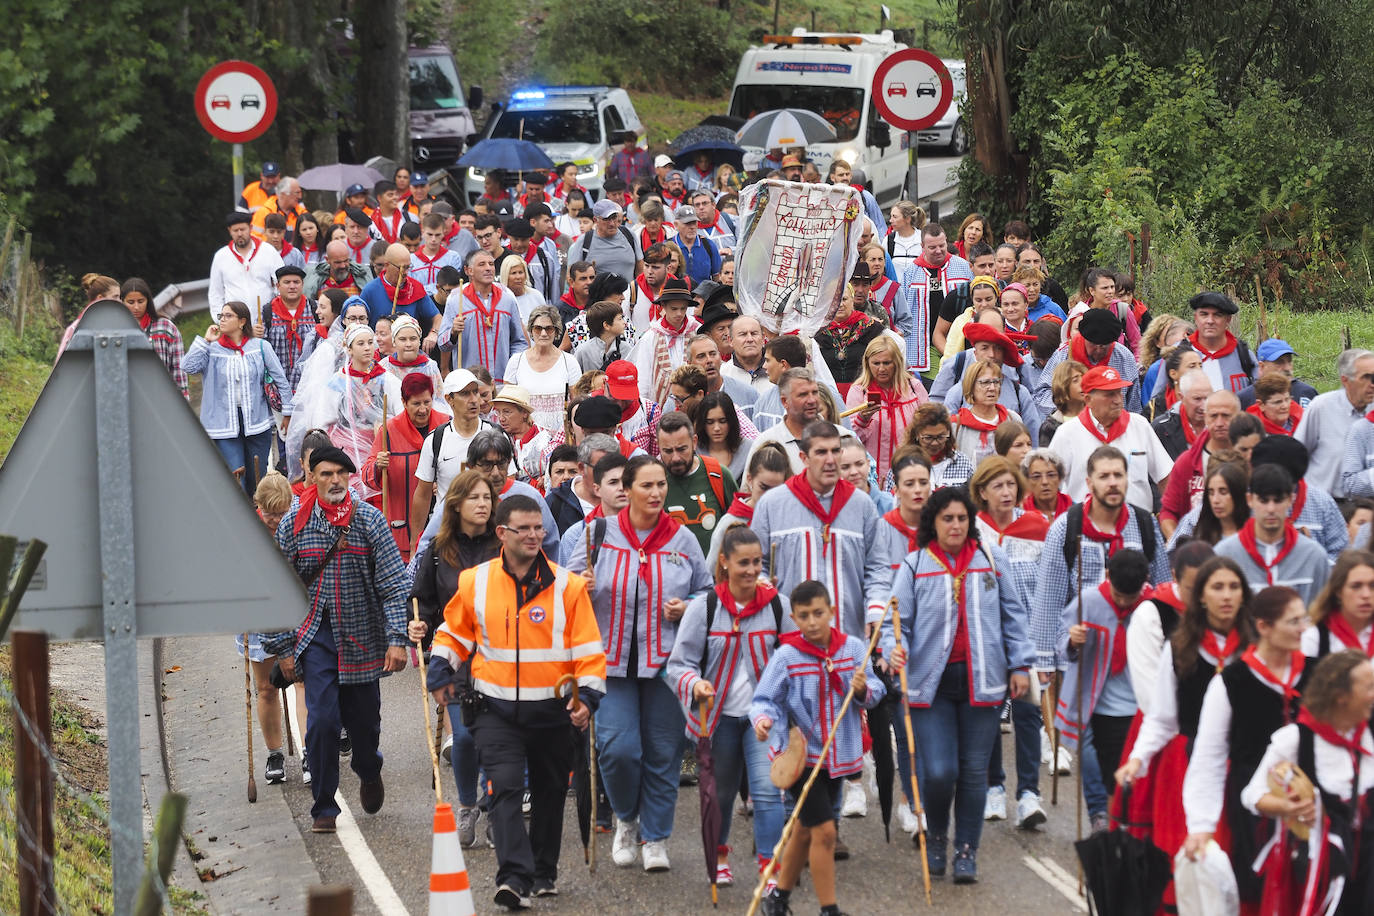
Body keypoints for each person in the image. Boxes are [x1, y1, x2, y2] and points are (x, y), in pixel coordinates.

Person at [426, 495, 606, 908]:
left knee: (548, 794)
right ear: (502, 533)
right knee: (504, 789)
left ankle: (543, 871)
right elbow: (455, 633)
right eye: (523, 528)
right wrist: (440, 669)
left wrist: (589, 699)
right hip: (495, 710)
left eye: (538, 527)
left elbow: (588, 650)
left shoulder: (568, 586)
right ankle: (514, 879)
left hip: (554, 712)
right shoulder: (477, 581)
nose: (533, 535)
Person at [564, 456, 713, 873]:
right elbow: (563, 589)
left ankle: (656, 837)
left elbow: (707, 594)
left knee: (664, 752)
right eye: (647, 485)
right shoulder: (598, 534)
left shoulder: (682, 539)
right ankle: (627, 819)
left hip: (666, 664)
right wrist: (581, 587)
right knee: (618, 750)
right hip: (609, 666)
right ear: (627, 491)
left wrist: (689, 606)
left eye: (661, 485)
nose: (656, 493)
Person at [883, 487, 1034, 881]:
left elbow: (1014, 615)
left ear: (971, 522)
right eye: (947, 518)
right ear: (933, 522)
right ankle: (936, 836)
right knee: (938, 772)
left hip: (981, 683)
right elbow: (895, 622)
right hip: (927, 686)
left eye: (962, 518)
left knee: (972, 773)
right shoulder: (915, 565)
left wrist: (1020, 665)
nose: (955, 525)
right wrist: (894, 648)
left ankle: (966, 850)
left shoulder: (990, 559)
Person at [263, 446, 410, 834]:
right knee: (323, 721)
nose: (333, 481)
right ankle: (324, 806)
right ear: (311, 478)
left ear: (349, 477)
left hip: (362, 636)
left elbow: (395, 584)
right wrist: (283, 649)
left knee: (364, 728)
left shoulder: (370, 521)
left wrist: (397, 638)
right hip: (316, 638)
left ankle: (368, 769)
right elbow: (276, 590)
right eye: (325, 474)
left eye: (340, 474)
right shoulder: (294, 523)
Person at [665, 526, 792, 886]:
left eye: (757, 563)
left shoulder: (777, 606)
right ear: (724, 562)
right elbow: (679, 664)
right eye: (743, 563)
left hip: (762, 720)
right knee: (719, 792)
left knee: (768, 792)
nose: (752, 571)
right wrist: (695, 684)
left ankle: (770, 869)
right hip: (716, 719)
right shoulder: (704, 608)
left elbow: (792, 660)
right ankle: (719, 854)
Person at [755, 579, 885, 916]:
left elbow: (874, 690)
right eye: (804, 616)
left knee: (802, 831)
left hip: (837, 756)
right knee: (825, 832)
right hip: (800, 757)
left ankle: (778, 899)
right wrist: (764, 721)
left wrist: (860, 690)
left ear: (831, 611)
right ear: (794, 619)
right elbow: (764, 699)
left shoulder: (854, 649)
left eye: (818, 613)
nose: (812, 622)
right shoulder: (787, 656)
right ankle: (829, 909)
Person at [1115, 556, 1252, 867]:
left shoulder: (1255, 646)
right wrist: (1138, 758)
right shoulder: (1180, 647)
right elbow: (1162, 717)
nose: (1226, 595)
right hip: (1188, 763)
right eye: (1217, 587)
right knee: (1192, 860)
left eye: (1234, 587)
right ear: (1201, 596)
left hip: (1245, 766)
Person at [1178, 584, 1308, 905]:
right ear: (1264, 627)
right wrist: (1201, 824)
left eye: (1303, 620)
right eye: (1293, 621)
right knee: (1256, 895)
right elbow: (1208, 757)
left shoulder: (1317, 673)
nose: (1302, 628)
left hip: (1308, 806)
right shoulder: (1231, 682)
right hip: (1251, 809)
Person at [1241, 649, 1374, 914]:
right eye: (1369, 687)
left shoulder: (1366, 734)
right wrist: (1289, 808)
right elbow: (1251, 794)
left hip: (1367, 870)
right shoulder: (1297, 738)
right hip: (1323, 872)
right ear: (1341, 697)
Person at [407, 469, 500, 843]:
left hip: (501, 658)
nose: (483, 504)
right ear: (456, 504)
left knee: (496, 738)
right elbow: (422, 602)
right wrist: (417, 626)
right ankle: (467, 806)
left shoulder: (504, 545)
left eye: (487, 498)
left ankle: (496, 806)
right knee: (463, 738)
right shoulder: (437, 552)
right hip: (454, 660)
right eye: (475, 497)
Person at [1031, 446, 1173, 672]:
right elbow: (1049, 601)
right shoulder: (1065, 528)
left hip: (1137, 657)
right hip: (1083, 660)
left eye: (1118, 475)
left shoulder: (1145, 524)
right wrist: (1045, 662)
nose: (1113, 482)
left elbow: (1163, 592)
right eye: (1104, 476)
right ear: (1089, 483)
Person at [753, 420, 889, 647]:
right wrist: (768, 596)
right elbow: (756, 566)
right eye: (821, 452)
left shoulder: (862, 506)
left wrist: (875, 610)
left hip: (848, 642)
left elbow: (877, 567)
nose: (830, 460)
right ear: (803, 458)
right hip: (791, 644)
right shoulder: (772, 505)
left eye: (835, 451)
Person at [1053, 550, 1151, 834]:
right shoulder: (1089, 601)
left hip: (1133, 703)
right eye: (1118, 596)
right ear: (1108, 577)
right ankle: (1098, 812)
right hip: (1089, 699)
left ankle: (1124, 815)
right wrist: (1073, 641)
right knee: (1087, 754)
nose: (1122, 603)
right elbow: (1062, 639)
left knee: (1122, 766)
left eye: (1129, 599)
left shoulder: (1151, 606)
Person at [184, 301, 293, 497]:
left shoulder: (260, 346)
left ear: (242, 321)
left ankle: (260, 519)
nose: (222, 320)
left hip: (257, 423)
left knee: (257, 478)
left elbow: (281, 380)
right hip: (223, 425)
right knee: (236, 477)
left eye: (228, 316)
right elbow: (189, 367)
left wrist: (287, 412)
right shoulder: (211, 348)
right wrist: (206, 341)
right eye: (221, 316)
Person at [243, 472, 310, 785]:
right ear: (258, 506)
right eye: (270, 514)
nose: (276, 521)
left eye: (282, 512)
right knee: (267, 687)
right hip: (258, 614)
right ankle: (275, 754)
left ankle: (311, 751)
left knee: (301, 680)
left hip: (296, 612)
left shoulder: (299, 523)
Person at [1049, 366, 1172, 511]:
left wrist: (1169, 516)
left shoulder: (1139, 425)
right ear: (1088, 400)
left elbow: (1165, 476)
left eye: (1119, 393)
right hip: (1084, 528)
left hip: (1137, 526)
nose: (1118, 400)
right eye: (1109, 394)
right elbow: (1049, 483)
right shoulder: (1067, 433)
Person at [361, 372, 450, 560]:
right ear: (403, 402)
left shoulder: (446, 425)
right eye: (416, 404)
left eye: (427, 402)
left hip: (443, 521)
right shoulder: (390, 430)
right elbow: (366, 474)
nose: (423, 409)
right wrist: (378, 465)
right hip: (403, 524)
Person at [1214, 464, 1330, 605]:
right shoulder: (1224, 554)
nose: (1271, 509)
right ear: (1250, 500)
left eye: (1278, 500)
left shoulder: (1314, 556)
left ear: (1290, 500)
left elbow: (1321, 612)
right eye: (1263, 501)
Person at [409, 369, 490, 544]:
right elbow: (422, 494)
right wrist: (416, 543)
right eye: (464, 394)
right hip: (447, 535)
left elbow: (509, 484)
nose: (474, 399)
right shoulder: (435, 440)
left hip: (488, 534)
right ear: (449, 399)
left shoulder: (495, 435)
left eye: (475, 392)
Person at [843, 335, 928, 487]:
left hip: (908, 473)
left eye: (887, 363)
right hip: (870, 478)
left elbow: (927, 428)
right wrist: (862, 419)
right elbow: (850, 440)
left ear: (897, 363)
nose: (881, 369)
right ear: (867, 364)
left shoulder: (914, 387)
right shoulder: (859, 391)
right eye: (876, 363)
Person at [1158, 390, 1242, 537]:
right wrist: (1178, 545)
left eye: (1226, 416)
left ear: (1239, 417)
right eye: (1214, 416)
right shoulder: (1187, 462)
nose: (1219, 423)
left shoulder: (1250, 457)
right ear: (1206, 418)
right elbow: (1168, 512)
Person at [1251, 433, 1349, 560]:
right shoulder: (1248, 500)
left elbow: (1340, 552)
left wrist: (1315, 568)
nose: (1272, 507)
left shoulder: (1322, 502)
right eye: (1265, 500)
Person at [439, 249, 529, 384]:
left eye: (491, 264)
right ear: (469, 270)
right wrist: (452, 332)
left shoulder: (507, 297)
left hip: (503, 381)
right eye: (482, 264)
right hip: (470, 384)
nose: (488, 268)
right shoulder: (456, 299)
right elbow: (442, 344)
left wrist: (512, 368)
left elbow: (520, 341)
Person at [1295, 348, 1374, 499]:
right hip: (1327, 502)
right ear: (1345, 380)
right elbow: (1299, 452)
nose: (1372, 384)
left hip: (1365, 508)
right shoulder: (1321, 407)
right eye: (1365, 377)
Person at [657, 410, 737, 556]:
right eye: (668, 451)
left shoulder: (718, 475)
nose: (675, 458)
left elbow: (739, 527)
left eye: (682, 449)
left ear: (694, 442)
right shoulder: (654, 482)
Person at [1034, 309, 1141, 416]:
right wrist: (1068, 410)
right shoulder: (1064, 354)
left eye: (1104, 346)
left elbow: (1134, 404)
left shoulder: (1124, 357)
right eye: (1093, 344)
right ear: (1084, 337)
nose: (1099, 350)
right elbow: (1041, 394)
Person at [899, 222, 973, 373]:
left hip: (959, 340)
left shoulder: (962, 266)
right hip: (922, 347)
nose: (938, 251)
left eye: (942, 245)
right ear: (922, 246)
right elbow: (903, 311)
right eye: (932, 247)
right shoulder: (911, 272)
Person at [501, 305, 580, 432]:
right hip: (526, 434)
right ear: (531, 330)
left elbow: (577, 403)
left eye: (549, 329)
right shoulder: (516, 361)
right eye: (538, 328)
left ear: (556, 330)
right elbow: (507, 405)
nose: (543, 333)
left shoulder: (569, 362)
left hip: (560, 435)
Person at [629, 278, 700, 404]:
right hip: (660, 402)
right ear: (663, 307)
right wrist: (644, 406)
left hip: (693, 400)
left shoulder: (696, 331)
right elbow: (644, 375)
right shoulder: (651, 336)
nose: (679, 313)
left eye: (683, 309)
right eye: (674, 309)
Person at [209, 212, 283, 326]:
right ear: (229, 231)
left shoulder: (268, 251)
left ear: (250, 228)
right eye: (235, 230)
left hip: (266, 322)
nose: (239, 234)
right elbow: (216, 293)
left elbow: (281, 283)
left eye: (243, 229)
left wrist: (277, 314)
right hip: (235, 325)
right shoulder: (221, 256)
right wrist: (220, 320)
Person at [120, 277, 188, 399]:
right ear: (122, 301)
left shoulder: (166, 327)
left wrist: (183, 400)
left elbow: (179, 367)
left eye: (141, 301)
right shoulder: (116, 331)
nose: (136, 307)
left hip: (162, 397)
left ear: (148, 301)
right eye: (131, 302)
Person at [951, 358, 1025, 468]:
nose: (992, 388)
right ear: (971, 386)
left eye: (996, 382)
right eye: (985, 382)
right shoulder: (956, 425)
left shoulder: (1012, 419)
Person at [816, 282, 886, 388]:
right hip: (829, 394)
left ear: (852, 300)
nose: (840, 304)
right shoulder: (817, 331)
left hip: (862, 391)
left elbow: (897, 344)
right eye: (834, 299)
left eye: (844, 299)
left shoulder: (870, 327)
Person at [1169, 462, 1250, 548]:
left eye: (1223, 492)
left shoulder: (1256, 531)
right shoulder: (1197, 531)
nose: (1215, 500)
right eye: (1211, 493)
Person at [1236, 338, 1318, 409]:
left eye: (1289, 361)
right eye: (1279, 362)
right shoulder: (1245, 398)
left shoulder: (1306, 393)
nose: (1287, 368)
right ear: (1262, 366)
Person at [1152, 368, 1214, 460]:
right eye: (1197, 399)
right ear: (1182, 398)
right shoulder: (1161, 428)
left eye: (1207, 398)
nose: (1203, 406)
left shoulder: (1221, 424)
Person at [695, 391, 749, 484]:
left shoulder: (749, 449)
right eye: (710, 422)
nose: (717, 428)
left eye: (722, 421)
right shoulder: (694, 451)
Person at [1146, 343, 1206, 423]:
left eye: (1200, 366)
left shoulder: (1210, 401)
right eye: (1192, 366)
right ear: (1173, 373)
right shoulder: (1154, 407)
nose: (1199, 371)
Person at [1036, 359, 1086, 447]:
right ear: (1063, 386)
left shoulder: (1096, 418)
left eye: (1084, 378)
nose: (1082, 384)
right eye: (1075, 380)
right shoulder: (1050, 427)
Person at [1021, 448, 1070, 521]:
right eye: (1036, 476)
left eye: (1051, 475)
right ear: (1027, 482)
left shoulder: (1075, 512)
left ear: (1059, 478)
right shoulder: (1019, 514)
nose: (1045, 482)